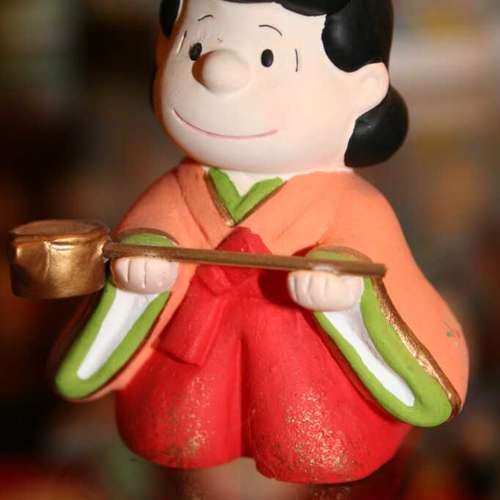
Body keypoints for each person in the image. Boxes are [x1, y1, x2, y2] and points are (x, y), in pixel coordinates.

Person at [55, 0, 469, 484]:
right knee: (177, 431)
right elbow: (144, 239)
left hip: (306, 389)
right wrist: (141, 275)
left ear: (364, 88)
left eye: (270, 56)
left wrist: (346, 297)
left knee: (312, 440)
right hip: (192, 377)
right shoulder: (177, 192)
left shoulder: (352, 206)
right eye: (196, 46)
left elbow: (385, 282)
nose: (217, 72)